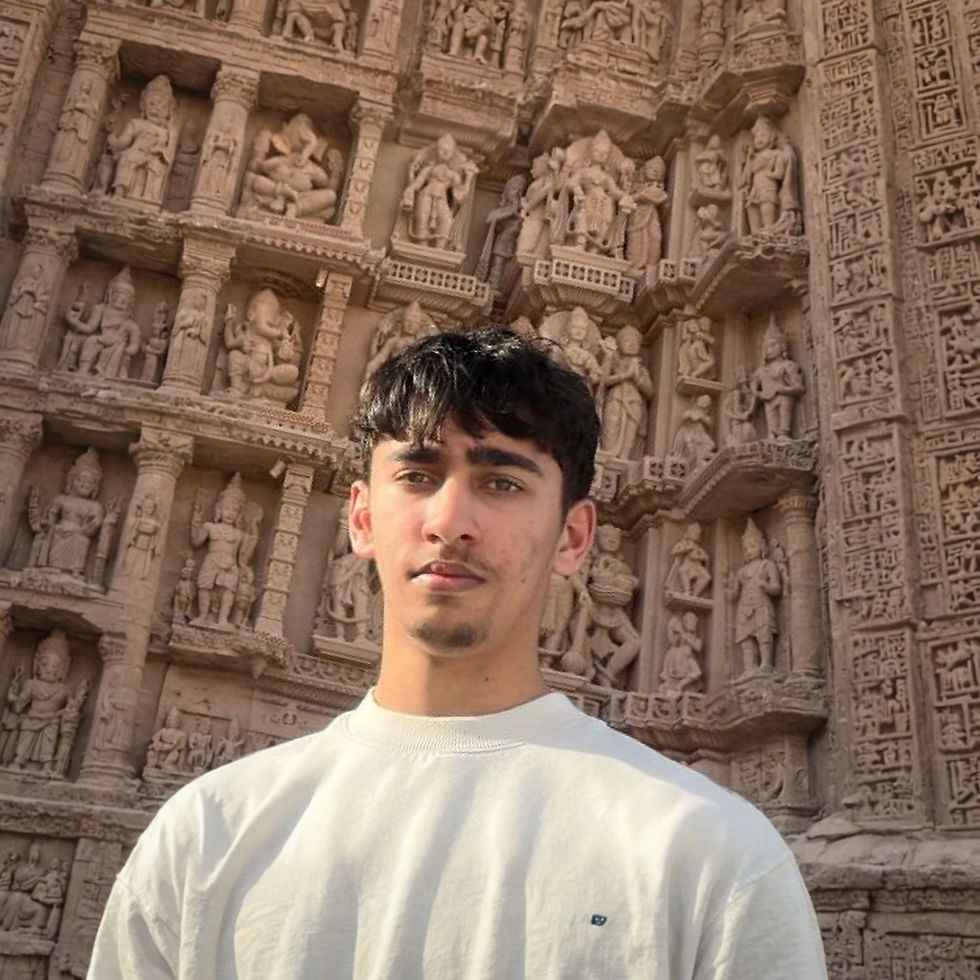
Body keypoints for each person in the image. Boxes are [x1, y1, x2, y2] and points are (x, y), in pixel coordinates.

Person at [88, 328, 827, 978]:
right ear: (361, 517)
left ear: (573, 537)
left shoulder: (705, 855)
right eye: (417, 475)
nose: (450, 521)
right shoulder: (207, 838)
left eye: (500, 482)